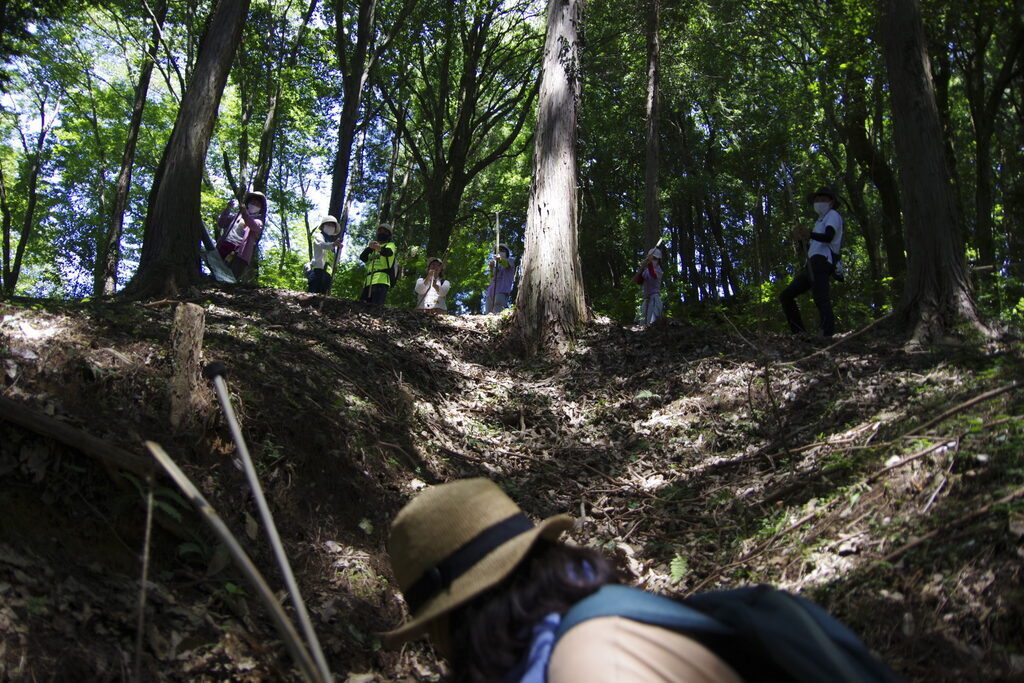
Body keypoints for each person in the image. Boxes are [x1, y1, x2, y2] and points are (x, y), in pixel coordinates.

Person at [384, 478, 899, 683]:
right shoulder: (584, 629)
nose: (437, 645)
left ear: (462, 616)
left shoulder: (588, 660)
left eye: (434, 626)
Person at [780, 186, 844, 338]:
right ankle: (800, 334)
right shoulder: (819, 221)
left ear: (831, 202)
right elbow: (811, 247)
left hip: (822, 261)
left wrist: (810, 234)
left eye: (823, 199)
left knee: (821, 297)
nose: (819, 202)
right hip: (811, 263)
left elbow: (828, 237)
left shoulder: (832, 215)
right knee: (786, 296)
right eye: (817, 200)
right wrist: (802, 239)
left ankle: (826, 334)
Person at [216, 191, 267, 280]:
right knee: (216, 270)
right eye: (252, 202)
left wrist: (244, 213)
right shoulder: (237, 216)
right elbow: (221, 223)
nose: (254, 205)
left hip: (240, 253)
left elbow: (253, 226)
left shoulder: (258, 222)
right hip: (225, 245)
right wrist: (227, 209)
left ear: (260, 208)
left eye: (257, 204)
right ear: (248, 204)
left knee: (231, 277)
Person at [359, 224, 396, 305]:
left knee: (376, 307)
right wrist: (370, 248)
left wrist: (378, 248)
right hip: (368, 281)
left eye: (384, 232)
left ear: (389, 235)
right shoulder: (372, 248)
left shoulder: (390, 245)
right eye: (380, 231)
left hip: (381, 280)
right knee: (361, 305)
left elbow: (388, 252)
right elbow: (363, 257)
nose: (381, 233)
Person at [306, 215, 341, 294]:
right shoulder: (319, 236)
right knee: (313, 295)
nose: (330, 227)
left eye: (332, 226)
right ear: (323, 226)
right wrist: (334, 244)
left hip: (327, 274)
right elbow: (323, 245)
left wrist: (339, 249)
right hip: (317, 271)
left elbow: (335, 260)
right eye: (328, 225)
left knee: (323, 297)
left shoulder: (332, 243)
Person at [634, 247, 663, 326]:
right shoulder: (646, 270)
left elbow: (653, 276)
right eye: (652, 258)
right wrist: (641, 269)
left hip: (654, 299)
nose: (653, 260)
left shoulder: (659, 270)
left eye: (655, 259)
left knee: (652, 323)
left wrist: (649, 264)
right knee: (642, 323)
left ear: (658, 260)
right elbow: (639, 281)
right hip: (646, 299)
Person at [485, 244, 515, 314]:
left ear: (506, 253)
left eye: (502, 250)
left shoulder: (510, 261)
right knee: (488, 310)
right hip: (492, 290)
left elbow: (506, 264)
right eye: (498, 251)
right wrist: (492, 268)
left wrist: (500, 260)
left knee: (498, 308)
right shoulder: (497, 266)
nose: (500, 252)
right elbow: (492, 277)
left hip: (502, 290)